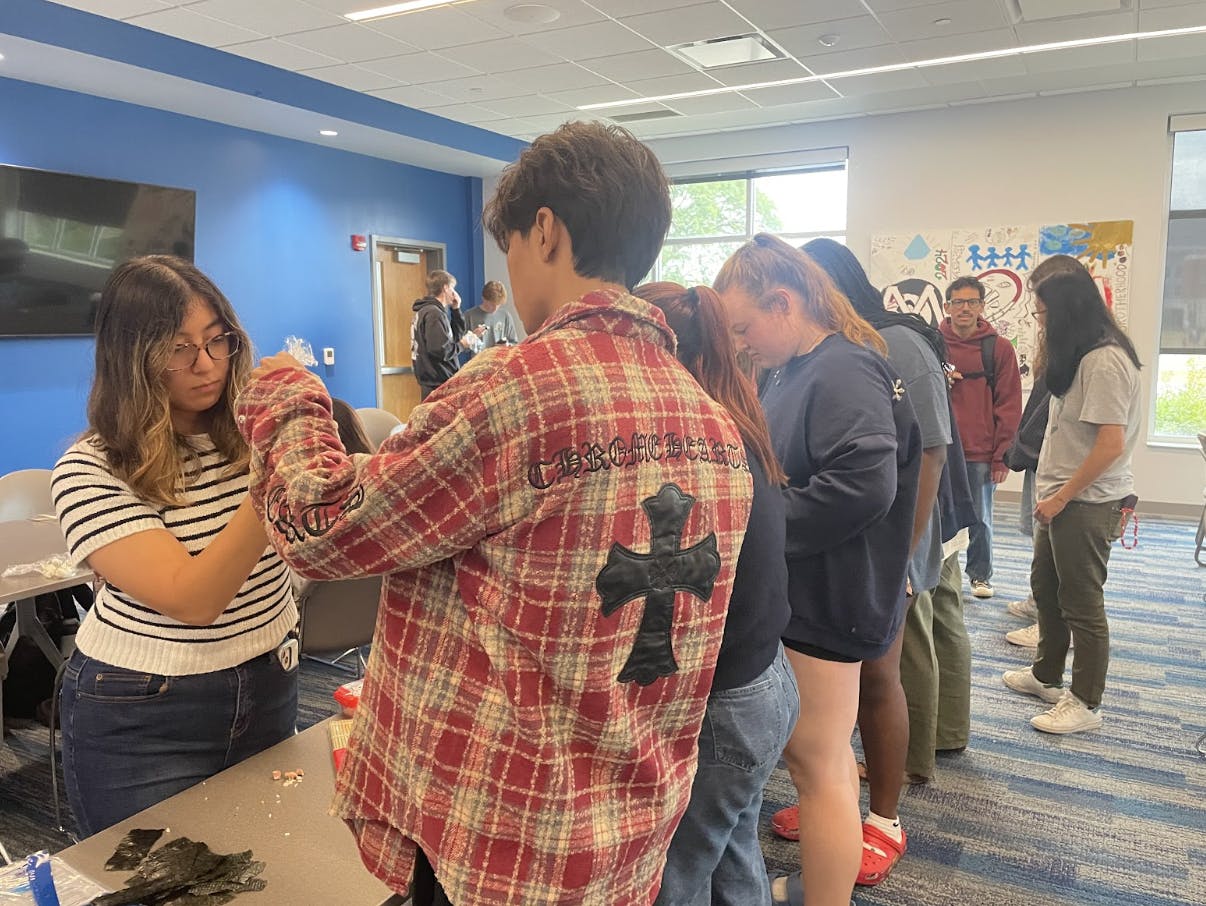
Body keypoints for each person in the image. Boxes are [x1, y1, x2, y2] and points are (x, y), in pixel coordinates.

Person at [235, 122, 754, 906]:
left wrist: (291, 394)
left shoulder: (517, 388)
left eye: (510, 245)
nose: (510, 272)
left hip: (508, 830)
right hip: (631, 811)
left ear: (544, 230)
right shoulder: (711, 419)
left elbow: (321, 529)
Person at [50, 256, 298, 836]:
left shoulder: (249, 431)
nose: (207, 365)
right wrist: (280, 472)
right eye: (179, 348)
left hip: (270, 681)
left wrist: (298, 422)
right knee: (159, 888)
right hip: (144, 715)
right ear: (133, 358)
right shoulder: (90, 470)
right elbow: (194, 599)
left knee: (271, 875)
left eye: (219, 341)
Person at [714, 233, 921, 906]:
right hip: (814, 588)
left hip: (832, 596)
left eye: (744, 327)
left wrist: (764, 528)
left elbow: (864, 486)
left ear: (784, 302)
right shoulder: (796, 367)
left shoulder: (841, 369)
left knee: (821, 764)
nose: (740, 343)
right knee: (815, 761)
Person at [789, 238, 959, 888]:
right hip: (845, 552)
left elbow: (932, 456)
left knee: (881, 679)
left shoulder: (894, 345)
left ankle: (884, 818)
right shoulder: (821, 351)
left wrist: (904, 559)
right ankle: (833, 801)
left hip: (893, 546)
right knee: (839, 691)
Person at [635, 281, 798, 906]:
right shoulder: (735, 425)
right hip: (767, 683)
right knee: (733, 851)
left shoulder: (691, 448)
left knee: (677, 874)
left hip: (726, 707)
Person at [1002, 268, 1141, 734]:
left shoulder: (1105, 361)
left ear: (1067, 313)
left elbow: (1109, 445)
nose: (1039, 323)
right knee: (1047, 590)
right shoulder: (1081, 356)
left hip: (1086, 503)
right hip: (1060, 497)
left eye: (1042, 314)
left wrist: (1061, 497)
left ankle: (1085, 702)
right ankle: (1046, 676)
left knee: (1082, 602)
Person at [1002, 255, 1084, 635]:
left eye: (1042, 306)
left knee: (1063, 556)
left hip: (1068, 470)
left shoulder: (1089, 352)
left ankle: (1053, 622)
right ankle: (1041, 606)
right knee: (1042, 547)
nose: (1039, 314)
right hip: (1045, 458)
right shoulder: (1057, 342)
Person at [941, 276, 1023, 599]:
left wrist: (1003, 454)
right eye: (958, 302)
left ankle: (980, 575)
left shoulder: (999, 348)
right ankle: (937, 574)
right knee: (937, 515)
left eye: (971, 302)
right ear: (947, 307)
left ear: (982, 307)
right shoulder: (932, 342)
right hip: (941, 448)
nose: (964, 308)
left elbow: (1010, 405)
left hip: (979, 450)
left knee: (980, 518)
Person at [410, 269, 479, 399]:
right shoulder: (434, 314)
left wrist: (456, 310)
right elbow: (441, 350)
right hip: (438, 385)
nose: (454, 292)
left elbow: (453, 338)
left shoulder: (427, 311)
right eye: (452, 288)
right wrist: (462, 345)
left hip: (433, 383)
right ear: (446, 288)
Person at [462, 280, 519, 355]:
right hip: (479, 364)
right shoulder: (469, 315)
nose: (495, 308)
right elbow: (462, 347)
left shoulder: (505, 316)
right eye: (492, 304)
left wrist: (507, 346)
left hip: (500, 362)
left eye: (498, 304)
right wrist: (473, 336)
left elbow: (514, 343)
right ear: (483, 298)